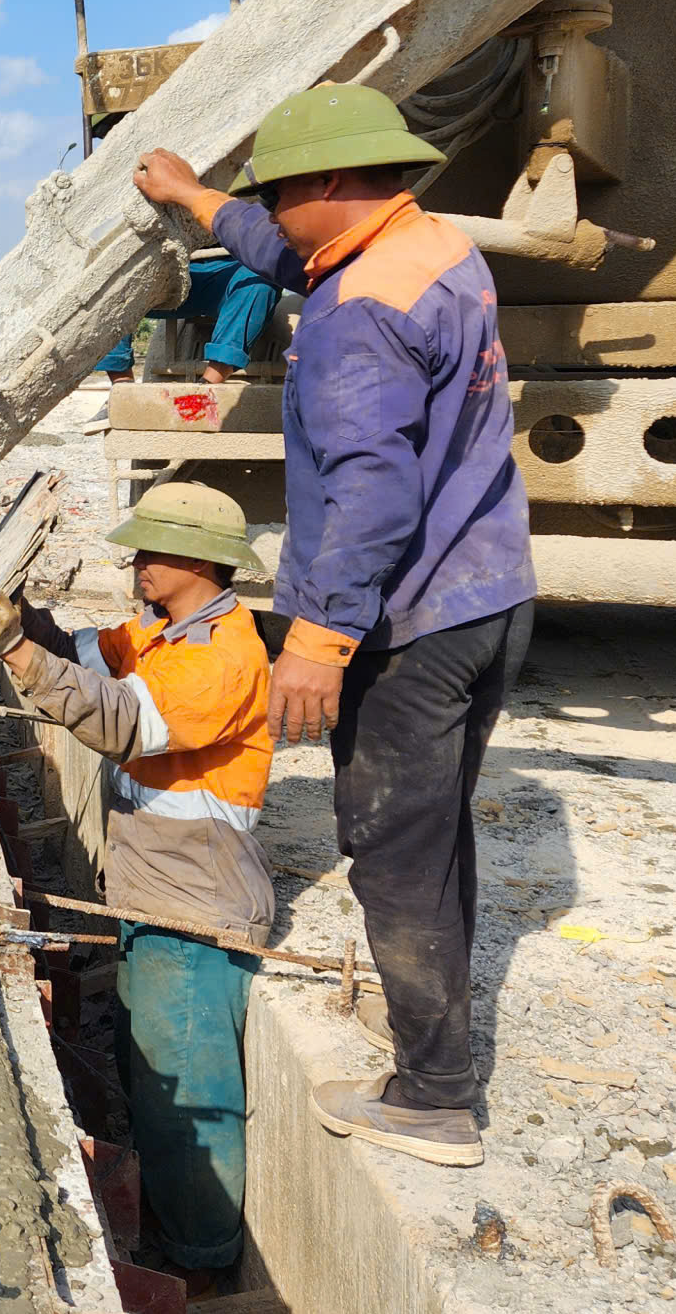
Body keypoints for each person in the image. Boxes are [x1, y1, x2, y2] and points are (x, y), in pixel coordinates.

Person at [133, 83, 536, 1170]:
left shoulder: (360, 314)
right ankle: (433, 1040)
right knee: (437, 830)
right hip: (489, 593)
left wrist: (315, 642)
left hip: (410, 621)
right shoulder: (428, 247)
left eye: (277, 191)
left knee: (394, 854)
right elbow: (282, 250)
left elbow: (369, 491)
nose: (271, 211)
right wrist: (191, 197)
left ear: (322, 185)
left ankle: (433, 1097)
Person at [0, 481, 273, 1281]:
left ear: (200, 562)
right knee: (150, 1070)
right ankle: (173, 1240)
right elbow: (79, 659)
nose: (134, 561)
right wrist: (18, 608)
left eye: (149, 550)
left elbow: (121, 723)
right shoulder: (163, 633)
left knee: (187, 1105)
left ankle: (199, 1264)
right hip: (154, 894)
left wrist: (15, 653)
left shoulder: (223, 659)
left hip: (199, 912)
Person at [95, 247, 285, 384]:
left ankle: (211, 382)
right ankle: (122, 386)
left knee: (262, 275)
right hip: (164, 267)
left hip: (231, 270)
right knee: (111, 277)